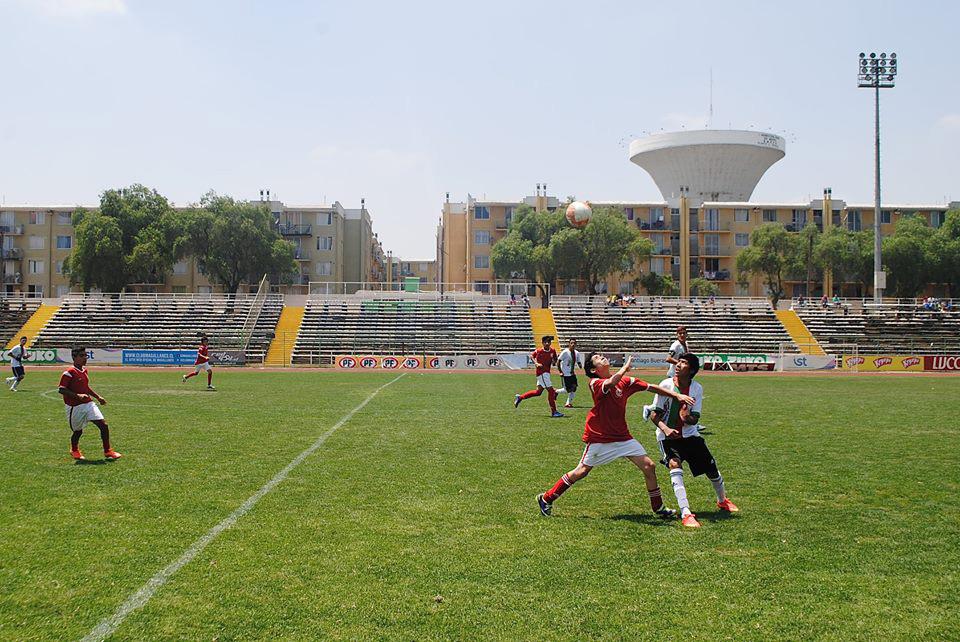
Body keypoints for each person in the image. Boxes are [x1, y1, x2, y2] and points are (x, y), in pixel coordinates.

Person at [536, 352, 695, 518]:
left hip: (622, 437)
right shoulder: (595, 383)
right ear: (593, 369)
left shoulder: (625, 381)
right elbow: (611, 382)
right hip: (600, 437)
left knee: (649, 466)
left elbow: (650, 387)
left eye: (601, 355)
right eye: (597, 358)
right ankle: (546, 498)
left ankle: (658, 507)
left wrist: (676, 395)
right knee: (581, 471)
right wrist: (625, 368)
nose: (602, 357)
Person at [647, 353, 739, 528]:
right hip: (667, 437)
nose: (678, 365)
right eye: (679, 361)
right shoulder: (666, 385)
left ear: (692, 371)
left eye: (683, 363)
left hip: (690, 436)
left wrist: (686, 417)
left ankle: (722, 500)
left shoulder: (696, 388)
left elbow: (695, 419)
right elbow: (654, 415)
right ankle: (686, 512)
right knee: (674, 464)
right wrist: (666, 429)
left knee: (711, 470)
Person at [59, 346, 121, 461]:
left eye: (85, 355)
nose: (85, 358)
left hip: (88, 404)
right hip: (74, 407)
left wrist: (98, 397)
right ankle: (74, 449)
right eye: (81, 356)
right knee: (78, 431)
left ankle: (108, 451)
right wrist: (77, 395)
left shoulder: (84, 370)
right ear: (74, 357)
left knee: (104, 425)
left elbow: (85, 387)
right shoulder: (69, 372)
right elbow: (61, 389)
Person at [515, 335, 563, 417]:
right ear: (542, 343)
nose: (547, 343)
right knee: (551, 391)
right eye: (545, 342)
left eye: (548, 342)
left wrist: (554, 362)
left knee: (538, 392)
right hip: (541, 373)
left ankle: (520, 397)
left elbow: (554, 361)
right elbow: (531, 356)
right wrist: (536, 363)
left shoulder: (552, 351)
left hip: (547, 373)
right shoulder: (539, 351)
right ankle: (554, 411)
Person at [555, 338, 583, 408]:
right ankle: (555, 391)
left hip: (572, 374)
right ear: (569, 344)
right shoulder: (565, 352)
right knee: (566, 390)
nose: (573, 344)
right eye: (571, 343)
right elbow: (558, 362)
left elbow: (578, 361)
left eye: (574, 343)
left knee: (574, 388)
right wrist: (560, 372)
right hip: (565, 374)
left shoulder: (577, 353)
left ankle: (568, 403)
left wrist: (580, 365)